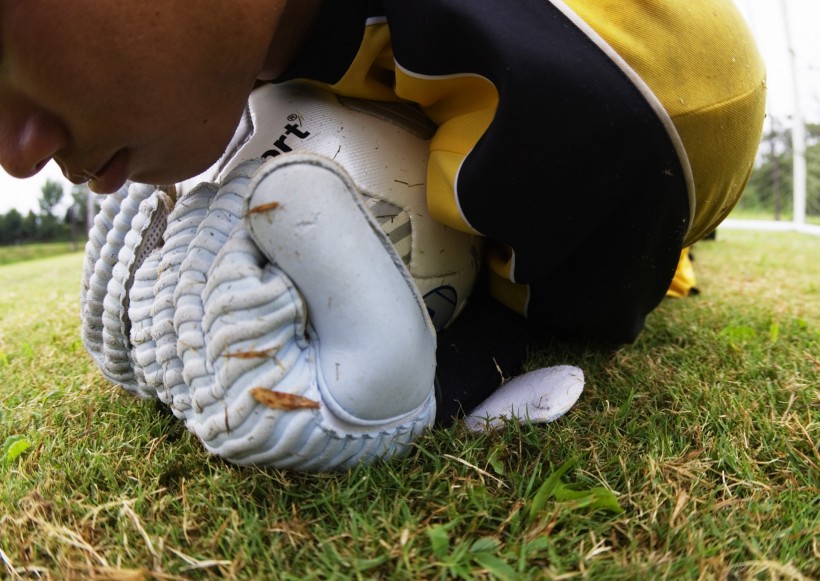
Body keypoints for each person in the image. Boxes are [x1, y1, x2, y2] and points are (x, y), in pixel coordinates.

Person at [0, 1, 766, 468]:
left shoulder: (567, 96)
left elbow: (571, 311)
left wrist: (420, 388)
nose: (16, 157)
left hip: (673, 117)